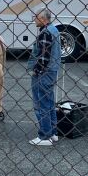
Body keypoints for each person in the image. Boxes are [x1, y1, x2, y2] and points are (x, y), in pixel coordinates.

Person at [28, 9, 62, 146]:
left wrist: (36, 71)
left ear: (43, 19)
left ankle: (44, 135)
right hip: (52, 71)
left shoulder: (45, 32)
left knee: (40, 104)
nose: (34, 19)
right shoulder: (54, 30)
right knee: (49, 103)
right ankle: (53, 132)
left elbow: (43, 56)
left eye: (36, 17)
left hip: (44, 73)